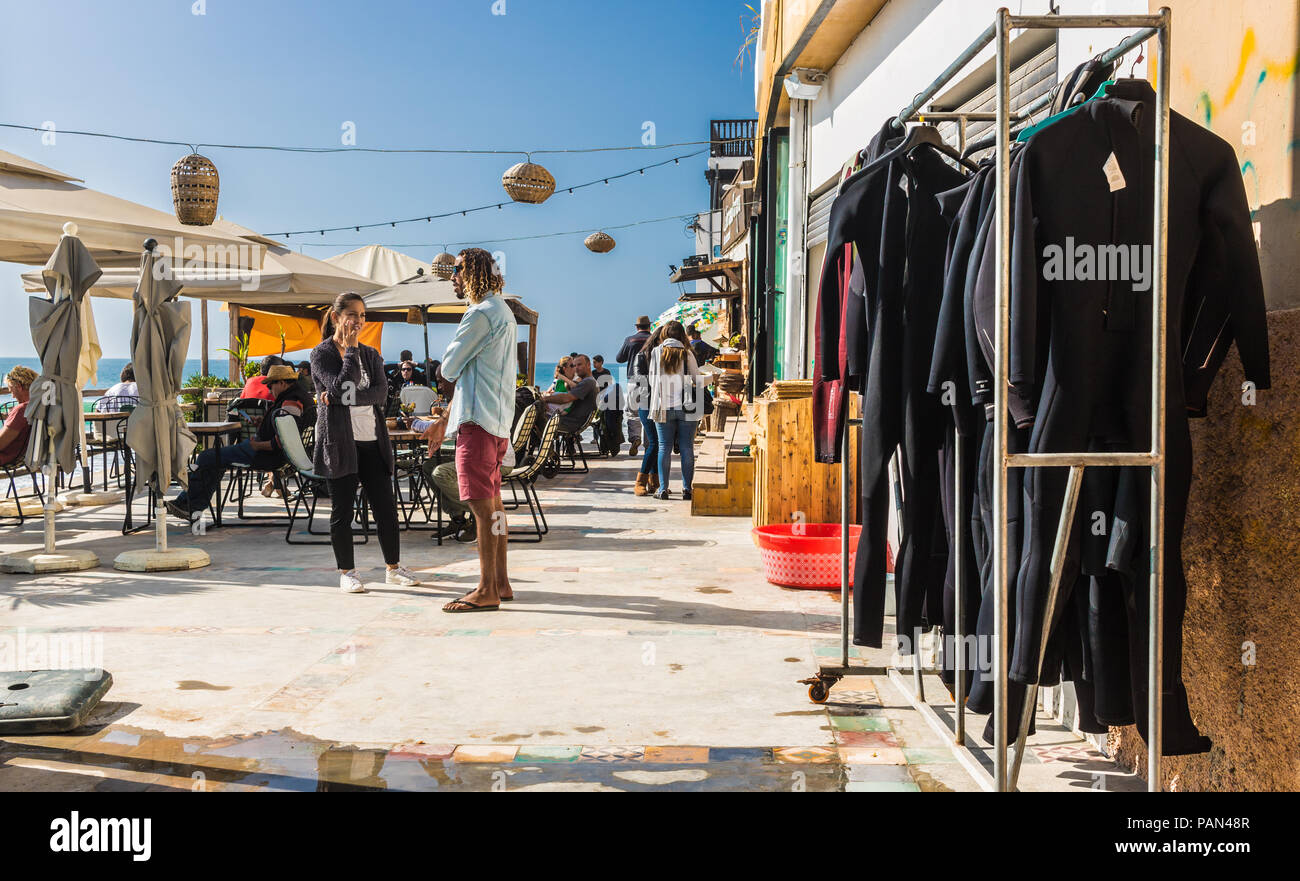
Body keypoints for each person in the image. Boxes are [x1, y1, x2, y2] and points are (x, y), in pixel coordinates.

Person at [424, 248, 518, 613]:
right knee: (493, 507)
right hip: (495, 420)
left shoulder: (480, 313)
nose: (452, 277)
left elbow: (448, 367)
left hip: (477, 422)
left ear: (473, 272)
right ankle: (501, 581)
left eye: (457, 270)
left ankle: (485, 589)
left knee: (481, 509)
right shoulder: (503, 311)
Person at [311, 292, 422, 593]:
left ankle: (393, 569)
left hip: (373, 441)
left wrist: (337, 397)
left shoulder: (372, 355)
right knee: (342, 512)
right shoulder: (321, 354)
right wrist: (349, 352)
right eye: (353, 315)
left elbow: (379, 395)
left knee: (386, 508)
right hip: (340, 443)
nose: (359, 321)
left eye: (362, 315)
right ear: (336, 317)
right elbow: (343, 388)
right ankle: (347, 572)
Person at [166, 365, 312, 519]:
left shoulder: (290, 403)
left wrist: (257, 445)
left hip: (264, 455)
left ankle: (188, 504)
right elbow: (285, 430)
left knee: (207, 457)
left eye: (271, 385)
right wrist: (264, 422)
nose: (269, 390)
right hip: (276, 456)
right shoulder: (298, 397)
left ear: (282, 383)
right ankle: (191, 506)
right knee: (216, 459)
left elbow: (283, 442)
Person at [647, 320, 704, 501]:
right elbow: (697, 379)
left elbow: (651, 380)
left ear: (664, 334)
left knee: (664, 447)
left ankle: (663, 489)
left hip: (663, 407)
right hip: (687, 407)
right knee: (687, 447)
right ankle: (687, 489)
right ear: (681, 335)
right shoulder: (687, 353)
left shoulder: (656, 353)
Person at [616, 315, 652, 463]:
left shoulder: (630, 340)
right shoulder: (654, 339)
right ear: (649, 326)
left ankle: (635, 438)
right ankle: (648, 443)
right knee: (649, 412)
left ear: (636, 327)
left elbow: (619, 358)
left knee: (632, 411)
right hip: (651, 381)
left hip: (633, 379)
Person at [540, 354, 598, 435]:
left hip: (569, 423)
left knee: (535, 417)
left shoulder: (588, 382)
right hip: (571, 421)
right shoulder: (589, 381)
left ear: (588, 365)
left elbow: (566, 398)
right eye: (574, 365)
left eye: (579, 364)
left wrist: (544, 399)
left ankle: (544, 447)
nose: (576, 368)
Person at [0, 366, 36, 466]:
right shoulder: (36, 406)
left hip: (8, 457)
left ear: (19, 387)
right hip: (23, 455)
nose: (12, 396)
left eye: (11, 391)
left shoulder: (21, 410)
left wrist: (15, 414)